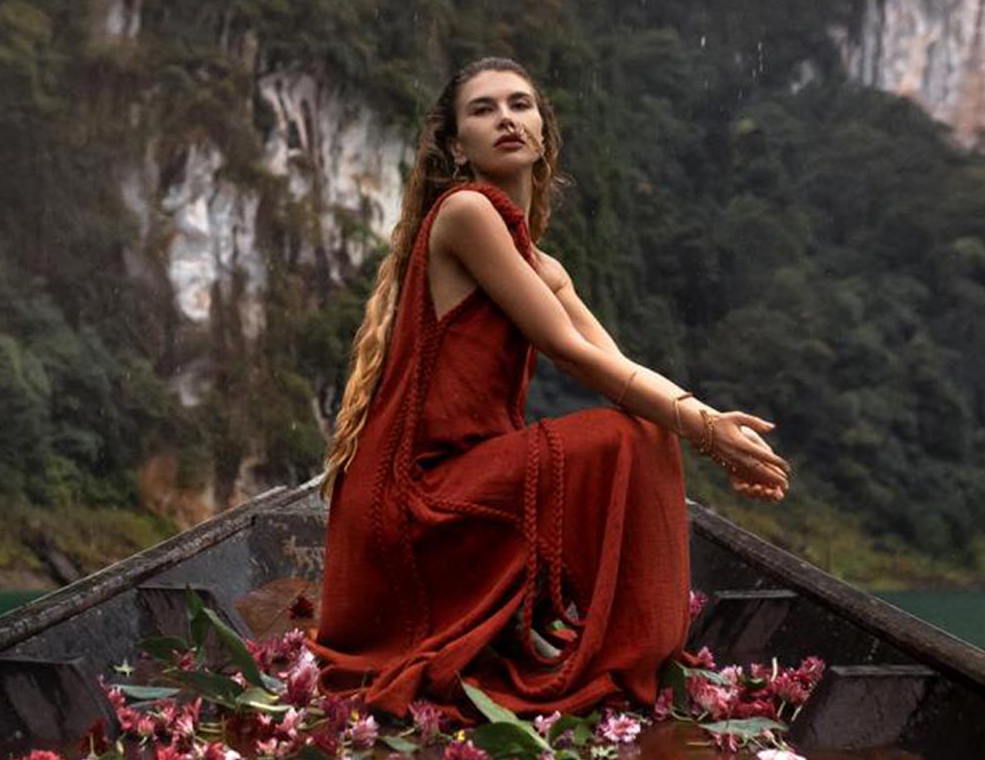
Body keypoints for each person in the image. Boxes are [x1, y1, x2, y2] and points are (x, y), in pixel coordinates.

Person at [312, 56, 791, 717]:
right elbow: (573, 356)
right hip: (411, 500)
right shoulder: (465, 213)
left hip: (458, 484)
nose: (505, 118)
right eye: (482, 109)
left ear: (542, 129)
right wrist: (707, 433)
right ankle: (625, 662)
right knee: (620, 438)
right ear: (456, 146)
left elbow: (621, 371)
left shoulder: (542, 267)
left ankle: (632, 649)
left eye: (519, 104)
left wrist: (719, 430)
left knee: (645, 423)